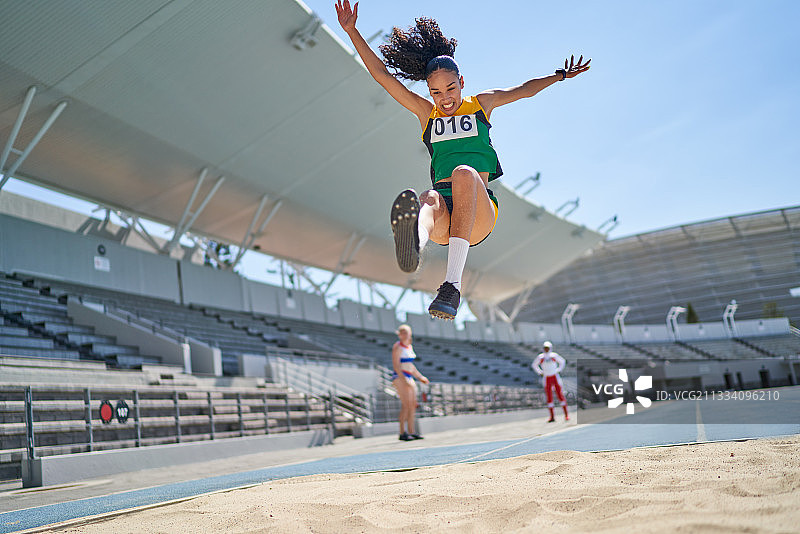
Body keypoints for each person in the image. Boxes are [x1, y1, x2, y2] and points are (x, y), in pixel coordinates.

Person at [335, 1, 590, 320]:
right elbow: (382, 76)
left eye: (450, 88)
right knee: (426, 197)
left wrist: (559, 76)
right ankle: (416, 239)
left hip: (478, 211)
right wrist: (352, 31)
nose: (445, 98)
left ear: (462, 83)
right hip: (445, 214)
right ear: (429, 92)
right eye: (436, 92)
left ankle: (451, 286)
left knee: (464, 173)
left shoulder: (481, 105)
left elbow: (524, 90)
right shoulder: (426, 113)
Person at [391, 324, 429, 440]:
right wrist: (403, 379)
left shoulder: (409, 346)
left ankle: (412, 431)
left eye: (406, 332)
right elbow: (396, 365)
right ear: (399, 334)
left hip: (409, 376)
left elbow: (411, 366)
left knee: (412, 405)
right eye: (402, 332)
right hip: (400, 377)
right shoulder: (398, 347)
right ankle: (403, 432)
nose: (404, 334)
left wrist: (420, 377)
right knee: (406, 405)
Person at [532, 341, 569, 422]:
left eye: (547, 348)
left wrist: (558, 370)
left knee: (560, 395)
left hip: (555, 377)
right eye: (545, 348)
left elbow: (562, 361)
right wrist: (540, 372)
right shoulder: (541, 357)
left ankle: (566, 415)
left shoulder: (554, 355)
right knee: (549, 397)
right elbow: (534, 365)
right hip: (546, 377)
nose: (546, 349)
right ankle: (552, 416)